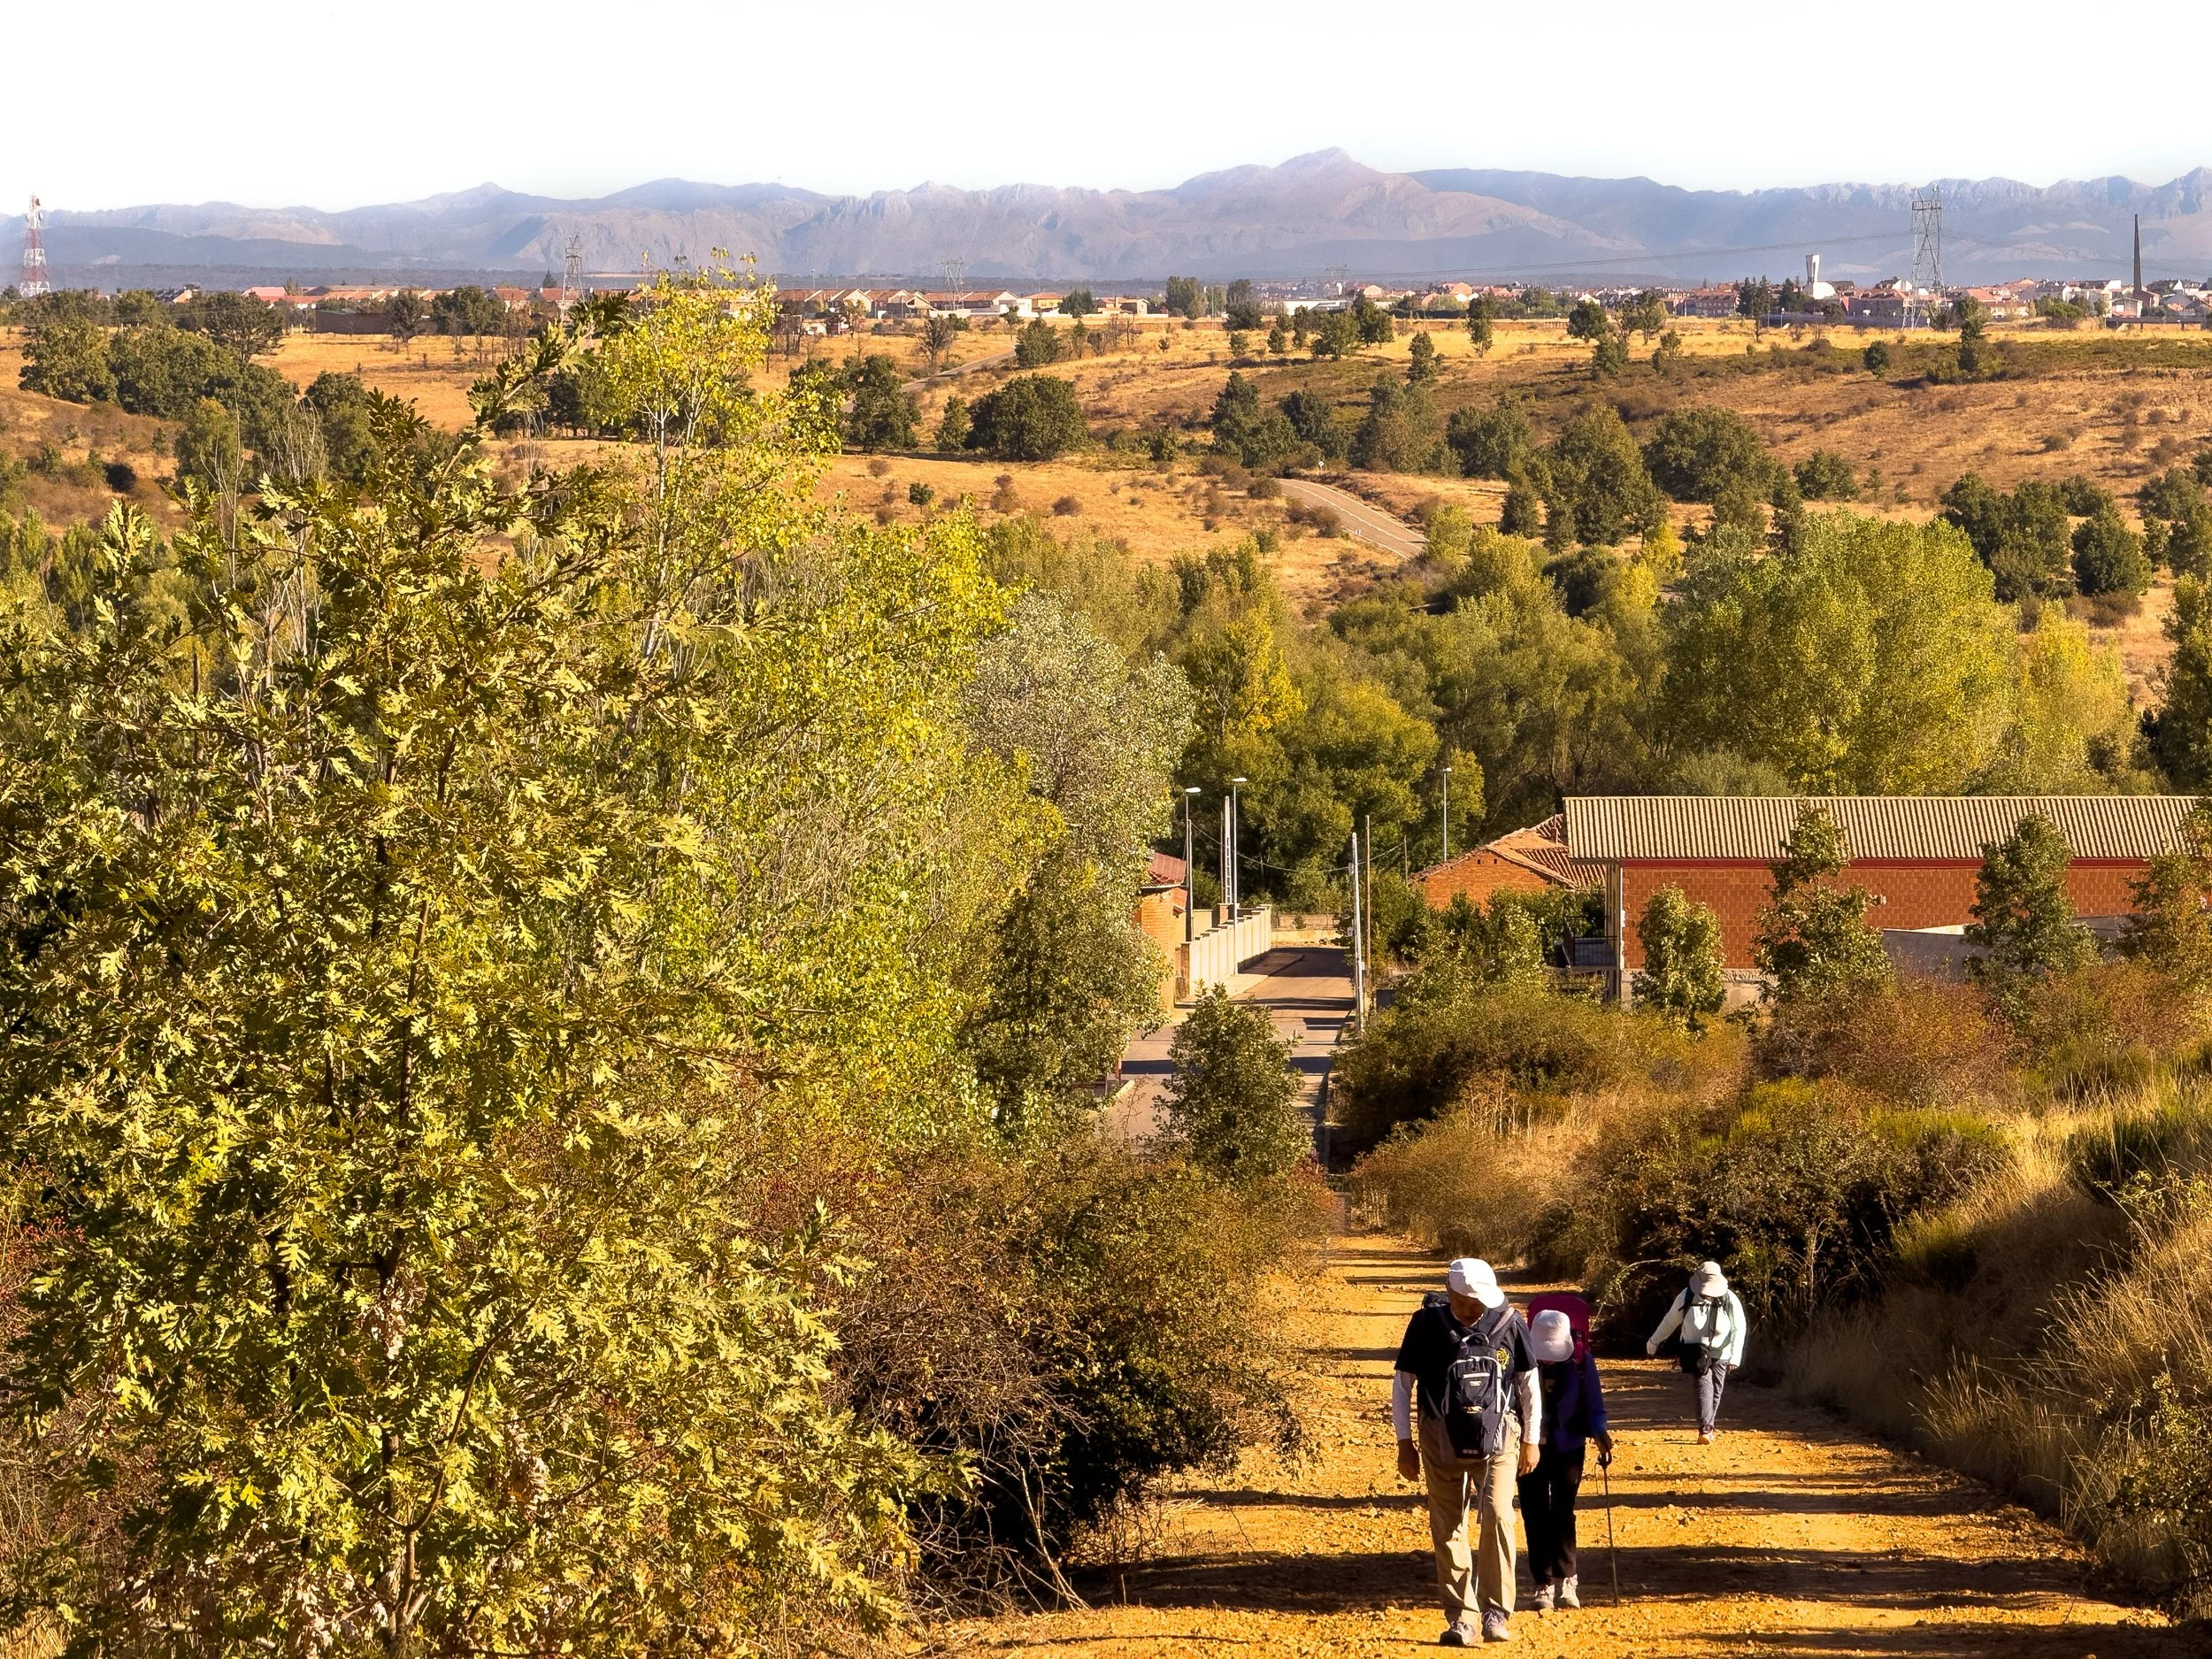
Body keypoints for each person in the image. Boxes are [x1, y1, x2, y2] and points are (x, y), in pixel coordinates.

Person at [1394, 1258, 1540, 1646]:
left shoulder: (1509, 1323)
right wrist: (1404, 1443)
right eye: (1467, 1302)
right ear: (1451, 1292)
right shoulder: (1425, 1324)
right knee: (1447, 1527)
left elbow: (1529, 1383)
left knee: (1497, 1515)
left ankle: (1496, 1611)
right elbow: (1403, 1385)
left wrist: (1531, 1439)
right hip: (1437, 1439)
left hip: (1501, 1439)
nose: (1475, 1309)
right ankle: (1462, 1616)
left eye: (1479, 1302)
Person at [1518, 1308, 1613, 1612]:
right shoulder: (1519, 1359)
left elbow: (1593, 1400)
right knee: (1534, 1513)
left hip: (1568, 1445)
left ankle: (1567, 1578)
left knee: (1562, 1511)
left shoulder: (1581, 1362)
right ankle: (1542, 1583)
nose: (1547, 1359)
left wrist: (1600, 1433)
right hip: (1527, 1447)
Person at [1644, 1260, 1747, 1444]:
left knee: (1716, 1390)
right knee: (1704, 1386)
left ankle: (1709, 1425)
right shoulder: (1686, 1297)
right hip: (1696, 1352)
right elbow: (1669, 1322)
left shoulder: (1729, 1298)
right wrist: (1653, 1344)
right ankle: (1705, 1429)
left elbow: (1739, 1327)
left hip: (1721, 1353)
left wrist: (1735, 1356)